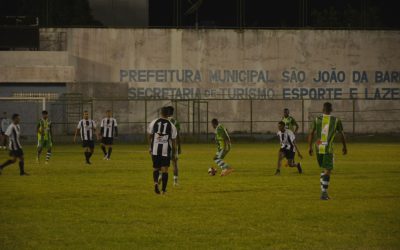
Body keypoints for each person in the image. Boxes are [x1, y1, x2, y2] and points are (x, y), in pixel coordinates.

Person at [308, 102, 347, 200]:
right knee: (328, 170)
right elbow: (342, 134)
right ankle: (324, 194)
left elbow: (311, 133)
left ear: (322, 109)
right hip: (328, 148)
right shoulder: (336, 120)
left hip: (318, 146)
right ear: (331, 110)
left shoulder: (317, 119)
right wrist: (344, 146)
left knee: (324, 169)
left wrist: (309, 147)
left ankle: (323, 191)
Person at [148, 106, 177, 195]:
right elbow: (173, 140)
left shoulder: (154, 122)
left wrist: (150, 147)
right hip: (165, 149)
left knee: (156, 168)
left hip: (155, 148)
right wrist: (174, 153)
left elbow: (149, 135)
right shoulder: (171, 125)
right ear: (168, 114)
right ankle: (163, 190)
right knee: (165, 170)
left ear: (160, 113)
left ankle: (156, 183)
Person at [165, 106, 181, 186]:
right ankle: (175, 181)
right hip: (173, 145)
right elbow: (178, 136)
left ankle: (160, 175)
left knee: (163, 163)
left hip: (164, 145)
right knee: (174, 163)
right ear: (172, 112)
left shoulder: (164, 121)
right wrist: (180, 147)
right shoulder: (176, 122)